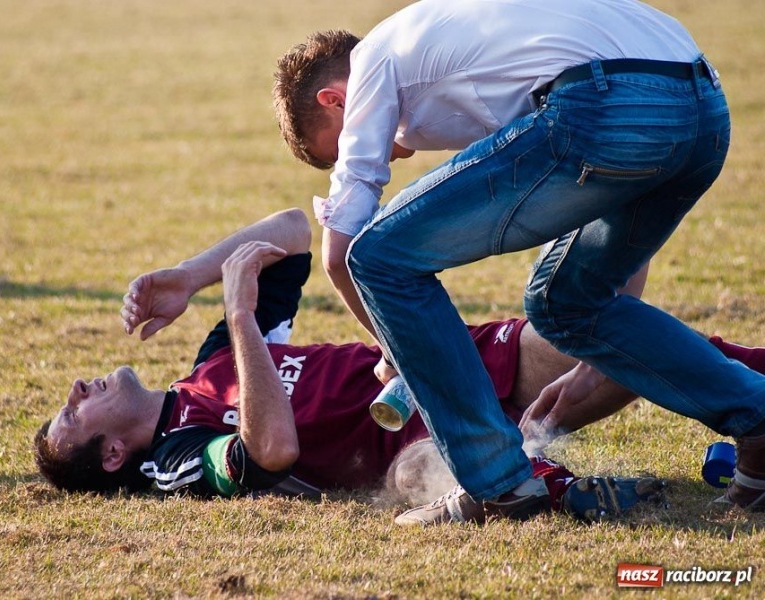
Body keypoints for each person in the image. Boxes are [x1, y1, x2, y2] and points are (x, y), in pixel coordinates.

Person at [271, 1, 765, 521]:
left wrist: (393, 347)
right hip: (703, 109)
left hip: (605, 103)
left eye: (337, 147)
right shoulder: (466, 39)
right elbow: (608, 208)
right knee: (565, 303)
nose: (383, 155)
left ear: (335, 100)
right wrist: (599, 352)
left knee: (377, 257)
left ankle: (497, 484)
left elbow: (343, 248)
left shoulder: (373, 58)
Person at [34, 209, 764, 523]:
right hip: (437, 448)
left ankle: (752, 390)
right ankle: (553, 484)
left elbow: (292, 231)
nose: (76, 388)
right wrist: (238, 314)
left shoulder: (213, 367)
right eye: (72, 414)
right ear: (111, 455)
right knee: (418, 479)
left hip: (451, 365)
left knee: (593, 332)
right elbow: (272, 451)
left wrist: (189, 277)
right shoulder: (173, 455)